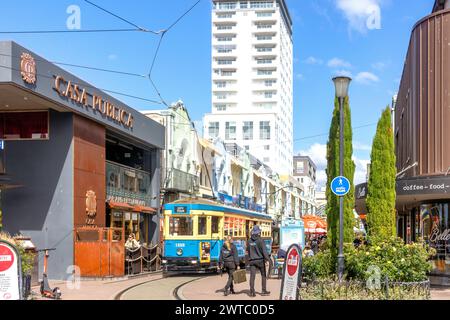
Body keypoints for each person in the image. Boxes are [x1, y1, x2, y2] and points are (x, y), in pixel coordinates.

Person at [247, 225, 270, 297]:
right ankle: (263, 291)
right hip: (260, 260)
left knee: (252, 276)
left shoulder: (249, 241)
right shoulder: (260, 240)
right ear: (258, 232)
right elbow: (264, 251)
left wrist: (250, 258)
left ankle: (251, 292)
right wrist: (267, 259)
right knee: (263, 275)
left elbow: (248, 250)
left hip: (252, 261)